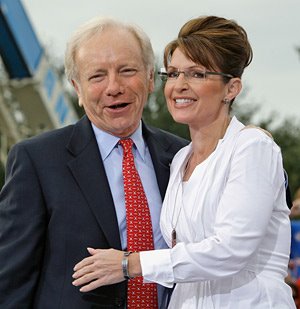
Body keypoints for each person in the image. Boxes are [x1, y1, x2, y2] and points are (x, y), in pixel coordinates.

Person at [72, 16, 296, 308]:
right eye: (174, 73)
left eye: (197, 74)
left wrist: (130, 264)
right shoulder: (179, 159)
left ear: (232, 88)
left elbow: (231, 250)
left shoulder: (253, 147)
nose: (179, 85)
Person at [0, 16, 188, 308]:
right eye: (97, 76)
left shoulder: (183, 156)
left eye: (127, 71)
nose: (114, 87)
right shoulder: (37, 161)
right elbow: (10, 279)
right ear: (77, 88)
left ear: (150, 78)